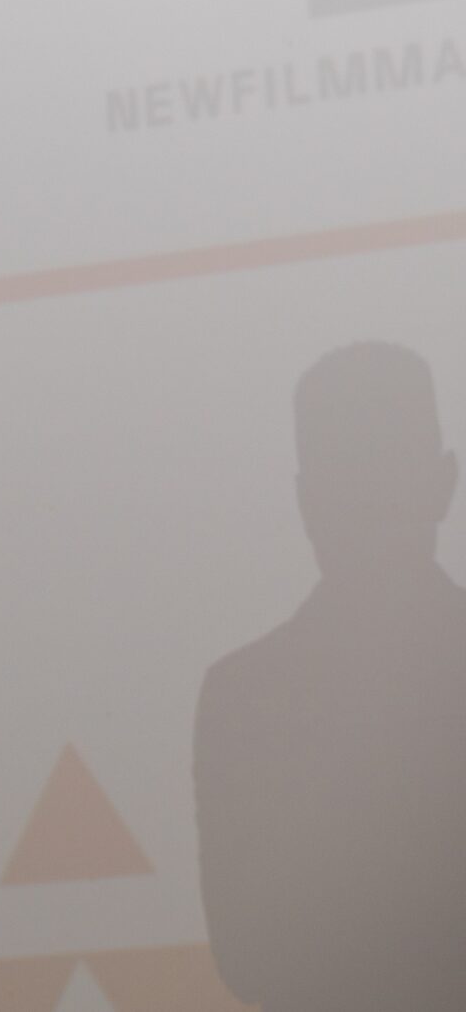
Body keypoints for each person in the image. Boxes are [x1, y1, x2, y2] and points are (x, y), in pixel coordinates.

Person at [193, 340, 466, 1012]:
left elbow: (255, 956)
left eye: (382, 476)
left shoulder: (242, 699)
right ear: (444, 481)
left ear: (304, 501)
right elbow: (252, 956)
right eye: (354, 480)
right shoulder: (241, 700)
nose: (369, 506)